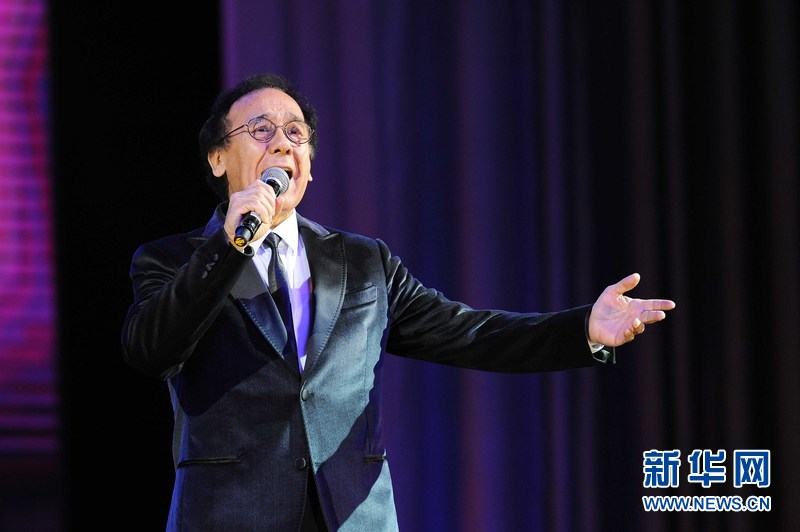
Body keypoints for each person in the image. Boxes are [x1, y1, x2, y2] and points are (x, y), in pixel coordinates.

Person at [121, 72, 676, 531]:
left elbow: (468, 332)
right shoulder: (171, 260)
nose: (282, 143)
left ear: (308, 162)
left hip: (354, 515)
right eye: (260, 130)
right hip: (230, 516)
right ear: (218, 158)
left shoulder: (363, 261)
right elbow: (152, 349)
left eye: (295, 132)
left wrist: (583, 329)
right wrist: (228, 247)